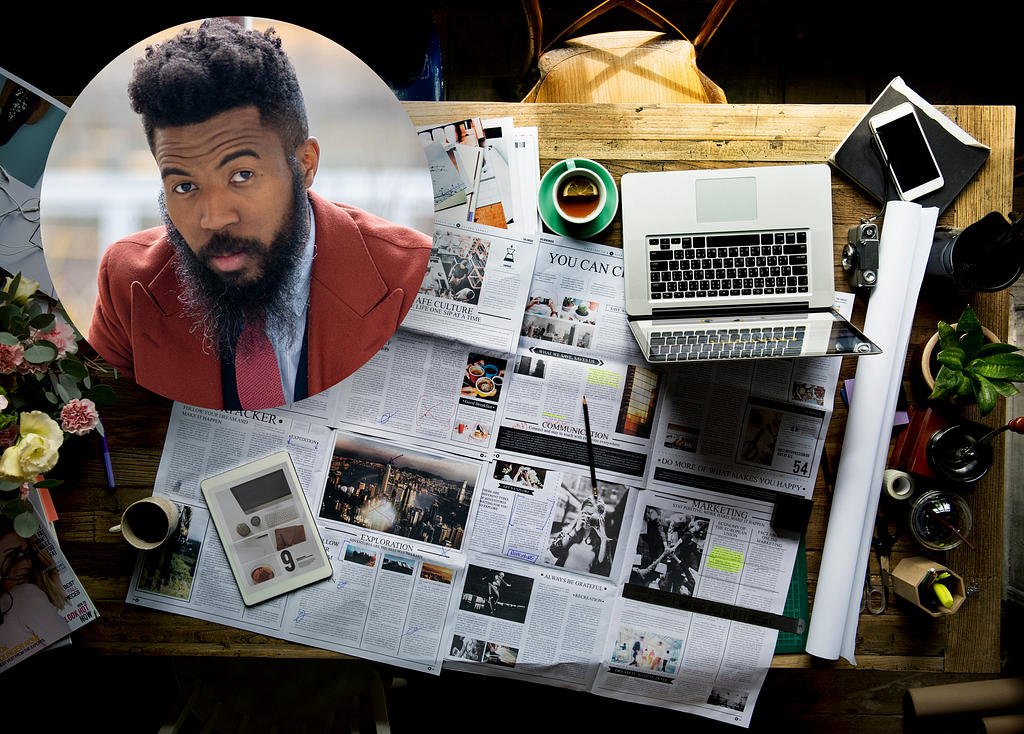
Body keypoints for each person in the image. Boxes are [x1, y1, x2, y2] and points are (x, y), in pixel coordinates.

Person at [88, 19, 431, 410]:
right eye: (184, 186)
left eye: (242, 175)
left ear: (305, 165)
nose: (213, 218)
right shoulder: (128, 283)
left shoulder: (413, 274)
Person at [0, 522, 72, 658]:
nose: (27, 564)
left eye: (27, 554)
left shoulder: (26, 595)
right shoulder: (26, 595)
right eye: (12, 556)